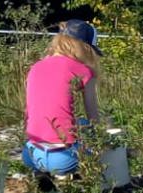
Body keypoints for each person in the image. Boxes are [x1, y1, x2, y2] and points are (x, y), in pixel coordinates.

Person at [22, 20, 106, 179]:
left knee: (76, 124)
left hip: (32, 154)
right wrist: (103, 139)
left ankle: (45, 180)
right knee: (87, 130)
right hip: (63, 158)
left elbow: (30, 112)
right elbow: (93, 115)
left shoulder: (35, 67)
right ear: (85, 47)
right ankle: (78, 183)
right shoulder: (84, 71)